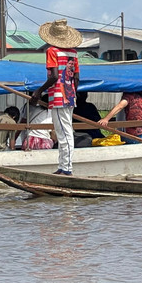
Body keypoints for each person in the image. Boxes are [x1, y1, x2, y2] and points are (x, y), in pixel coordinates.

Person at [30, 19, 81, 175]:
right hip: (69, 95)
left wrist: (38, 91)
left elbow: (53, 76)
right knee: (64, 131)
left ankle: (67, 168)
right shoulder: (73, 53)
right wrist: (72, 92)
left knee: (64, 133)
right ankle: (63, 166)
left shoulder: (52, 51)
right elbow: (77, 77)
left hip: (59, 97)